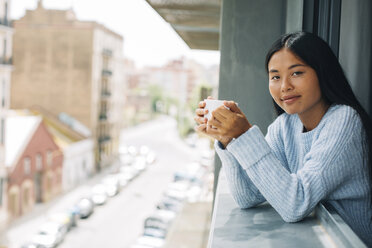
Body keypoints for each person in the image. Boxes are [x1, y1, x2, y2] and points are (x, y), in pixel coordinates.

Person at [194, 31, 372, 246]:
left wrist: (243, 134)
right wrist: (228, 139)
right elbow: (248, 196)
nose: (284, 86)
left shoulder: (344, 119)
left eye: (296, 73)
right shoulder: (285, 126)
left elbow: (295, 204)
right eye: (275, 77)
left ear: (322, 72)